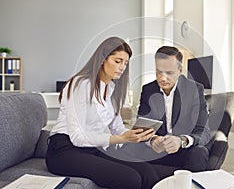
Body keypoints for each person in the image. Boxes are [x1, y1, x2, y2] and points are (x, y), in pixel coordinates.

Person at [46, 37, 160, 189]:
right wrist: (119, 138)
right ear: (102, 59)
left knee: (147, 172)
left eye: (125, 63)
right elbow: (77, 137)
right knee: (129, 178)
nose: (122, 67)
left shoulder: (112, 90)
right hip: (64, 150)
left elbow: (118, 129)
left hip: (93, 148)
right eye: (117, 61)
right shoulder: (80, 84)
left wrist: (146, 137)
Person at [138, 46, 211, 174]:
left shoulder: (194, 89)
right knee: (129, 147)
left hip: (184, 150)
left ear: (180, 70)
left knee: (199, 153)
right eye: (158, 72)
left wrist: (181, 141)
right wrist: (153, 139)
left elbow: (203, 131)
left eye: (169, 73)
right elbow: (143, 127)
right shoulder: (148, 90)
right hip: (157, 151)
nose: (162, 78)